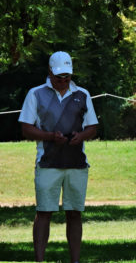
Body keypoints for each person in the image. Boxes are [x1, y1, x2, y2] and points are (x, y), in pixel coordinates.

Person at [18, 51, 98, 262]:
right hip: (47, 164)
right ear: (50, 71)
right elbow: (26, 128)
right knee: (44, 212)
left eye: (67, 77)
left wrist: (80, 136)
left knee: (74, 213)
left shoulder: (83, 94)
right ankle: (40, 260)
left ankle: (75, 260)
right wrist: (50, 137)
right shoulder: (35, 94)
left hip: (77, 164)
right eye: (59, 76)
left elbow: (93, 127)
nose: (63, 81)